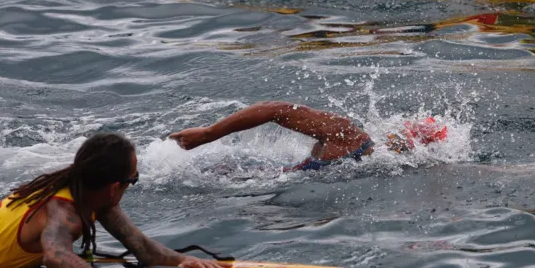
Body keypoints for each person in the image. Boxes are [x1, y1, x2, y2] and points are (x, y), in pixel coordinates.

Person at [0, 133, 226, 268]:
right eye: (133, 180)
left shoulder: (94, 199)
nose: (130, 185)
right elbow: (56, 256)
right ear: (115, 187)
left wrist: (182, 260)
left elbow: (143, 248)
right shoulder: (64, 211)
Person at [169, 101, 448, 171]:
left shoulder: (352, 137)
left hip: (230, 176)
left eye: (406, 125)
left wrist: (207, 135)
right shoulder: (364, 155)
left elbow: (274, 110)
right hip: (251, 177)